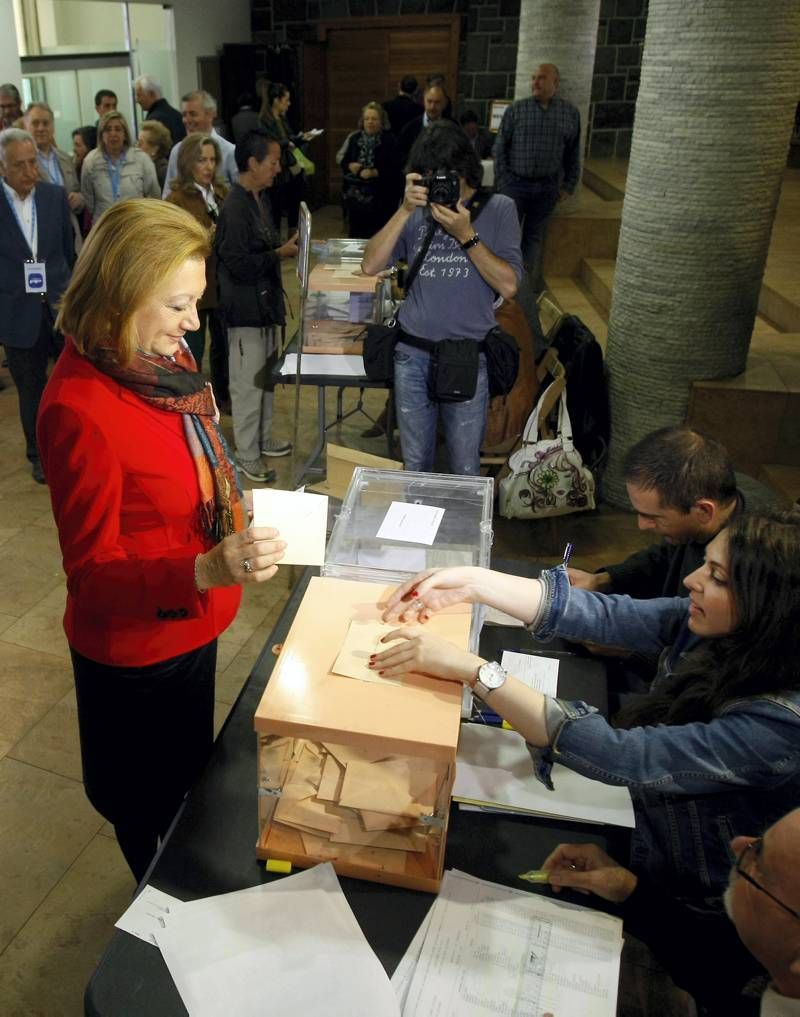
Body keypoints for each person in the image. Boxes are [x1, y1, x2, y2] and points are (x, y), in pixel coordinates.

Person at [37, 198, 287, 882]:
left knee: (189, 785)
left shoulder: (159, 358)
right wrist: (203, 570)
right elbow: (91, 575)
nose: (193, 325)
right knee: (149, 809)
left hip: (191, 630)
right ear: (125, 292)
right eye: (180, 303)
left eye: (196, 302)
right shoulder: (77, 408)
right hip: (137, 654)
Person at [374, 510, 800, 898]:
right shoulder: (730, 628)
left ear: (768, 605)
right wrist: (473, 581)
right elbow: (610, 615)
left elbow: (627, 757)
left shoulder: (779, 726)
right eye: (706, 563)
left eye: (718, 576)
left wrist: (475, 671)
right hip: (643, 812)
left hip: (676, 868)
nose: (692, 579)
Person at [361, 122, 522, 475]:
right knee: (415, 461)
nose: (439, 185)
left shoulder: (499, 209)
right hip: (411, 354)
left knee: (465, 466)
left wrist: (467, 235)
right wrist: (403, 210)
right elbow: (371, 264)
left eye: (445, 176)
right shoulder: (416, 210)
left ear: (465, 170)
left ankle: (461, 530)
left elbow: (509, 286)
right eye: (429, 176)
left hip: (468, 356)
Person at [542, 809, 800, 1016]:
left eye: (759, 860)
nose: (737, 844)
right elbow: (714, 964)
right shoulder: (765, 961)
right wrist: (628, 890)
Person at [569, 427, 742, 600]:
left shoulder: (746, 567)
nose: (641, 525)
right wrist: (600, 581)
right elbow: (662, 559)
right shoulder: (693, 527)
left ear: (704, 511)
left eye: (652, 517)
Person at [215, 131, 297, 483]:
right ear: (252, 163)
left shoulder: (258, 198)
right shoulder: (234, 206)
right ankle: (247, 453)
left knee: (265, 379)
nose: (277, 169)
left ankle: (263, 438)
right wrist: (278, 253)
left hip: (263, 306)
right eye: (273, 161)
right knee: (248, 385)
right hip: (244, 311)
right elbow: (236, 262)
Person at [0, 127, 74, 482]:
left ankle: (71, 448)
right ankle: (39, 456)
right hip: (17, 313)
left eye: (33, 163)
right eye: (21, 165)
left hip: (58, 309)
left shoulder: (54, 196)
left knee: (70, 385)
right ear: (3, 168)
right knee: (30, 389)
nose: (31, 171)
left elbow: (67, 252)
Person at [493, 63, 580, 289]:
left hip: (546, 187)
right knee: (506, 236)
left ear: (555, 83)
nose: (535, 83)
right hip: (515, 185)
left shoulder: (569, 113)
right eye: (533, 78)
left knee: (533, 238)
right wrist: (503, 182)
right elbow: (500, 147)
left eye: (541, 78)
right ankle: (501, 284)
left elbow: (573, 152)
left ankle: (525, 289)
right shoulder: (517, 110)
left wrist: (568, 184)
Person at [165, 133, 227, 369]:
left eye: (212, 160)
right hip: (192, 287)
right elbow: (173, 245)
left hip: (221, 282)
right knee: (193, 348)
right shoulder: (177, 200)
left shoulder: (221, 193)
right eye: (202, 160)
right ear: (188, 163)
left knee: (223, 347)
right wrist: (206, 235)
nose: (208, 166)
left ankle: (223, 399)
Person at [23, 101, 85, 253]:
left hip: (70, 235)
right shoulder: (21, 162)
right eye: (35, 123)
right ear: (26, 126)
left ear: (53, 127)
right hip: (39, 237)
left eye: (46, 123)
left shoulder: (66, 159)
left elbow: (79, 193)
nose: (41, 128)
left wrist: (78, 199)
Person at [80, 111, 160, 221]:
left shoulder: (142, 159)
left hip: (135, 224)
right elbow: (88, 200)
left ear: (125, 134)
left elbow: (154, 196)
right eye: (108, 129)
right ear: (101, 135)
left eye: (118, 129)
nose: (113, 134)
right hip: (104, 226)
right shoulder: (90, 162)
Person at [340, 102, 402, 239]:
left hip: (382, 198)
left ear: (381, 121)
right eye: (367, 118)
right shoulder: (354, 138)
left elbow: (397, 167)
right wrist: (350, 165)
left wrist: (376, 172)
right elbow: (344, 161)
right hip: (356, 198)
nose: (370, 122)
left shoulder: (390, 140)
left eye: (374, 119)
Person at [161, 90, 238, 198]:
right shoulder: (177, 151)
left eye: (193, 114)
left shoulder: (230, 151)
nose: (186, 120)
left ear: (210, 114)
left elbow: (238, 196)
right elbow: (167, 194)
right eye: (184, 115)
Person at [259, 82, 313, 235]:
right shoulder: (265, 120)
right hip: (276, 169)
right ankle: (276, 244)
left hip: (289, 167)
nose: (288, 104)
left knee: (294, 204)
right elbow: (268, 142)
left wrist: (301, 138)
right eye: (286, 100)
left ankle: (293, 238)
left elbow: (289, 138)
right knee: (275, 208)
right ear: (276, 100)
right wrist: (286, 142)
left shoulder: (282, 118)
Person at [397, 83, 452, 161]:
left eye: (437, 102)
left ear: (444, 103)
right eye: (429, 101)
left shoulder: (452, 128)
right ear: (423, 101)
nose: (432, 107)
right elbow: (400, 158)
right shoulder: (409, 129)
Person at [134, 74, 185, 144]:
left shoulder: (154, 120)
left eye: (139, 95)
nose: (137, 100)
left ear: (151, 94)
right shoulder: (177, 115)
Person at [137, 119, 172, 190]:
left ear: (155, 149)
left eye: (141, 143)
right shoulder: (146, 168)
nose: (137, 146)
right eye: (137, 142)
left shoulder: (162, 173)